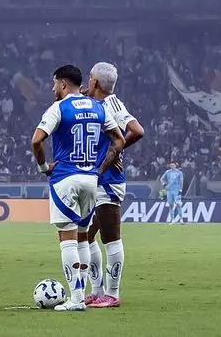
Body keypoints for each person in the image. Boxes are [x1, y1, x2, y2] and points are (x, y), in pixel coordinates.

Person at [31, 64, 124, 312]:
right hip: (91, 180)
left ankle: (76, 298)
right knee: (83, 236)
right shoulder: (98, 107)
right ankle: (83, 296)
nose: (52, 88)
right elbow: (119, 139)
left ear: (63, 83)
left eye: (54, 83)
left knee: (67, 238)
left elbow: (36, 140)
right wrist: (101, 166)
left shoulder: (59, 108)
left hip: (65, 178)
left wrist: (44, 167)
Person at [83, 62, 144, 308]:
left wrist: (116, 150)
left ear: (96, 82)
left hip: (108, 180)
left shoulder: (113, 104)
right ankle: (97, 291)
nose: (87, 81)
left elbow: (137, 130)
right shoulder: (91, 103)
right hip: (94, 178)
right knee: (85, 237)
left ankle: (113, 294)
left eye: (90, 78)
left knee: (110, 238)